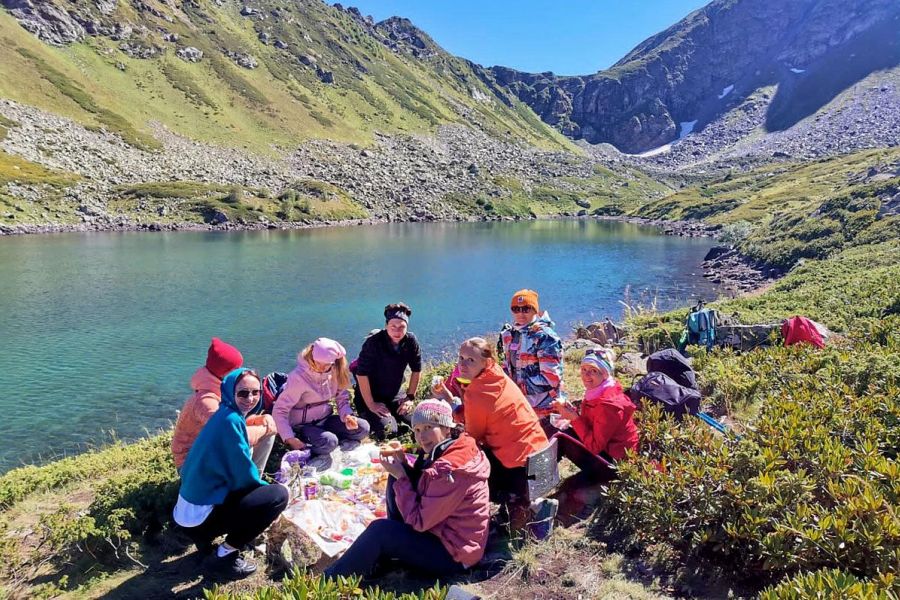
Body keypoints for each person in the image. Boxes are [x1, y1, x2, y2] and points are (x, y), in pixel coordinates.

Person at [324, 399, 490, 579]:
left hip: (455, 553)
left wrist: (403, 478)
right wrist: (402, 464)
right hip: (445, 532)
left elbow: (420, 522)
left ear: (446, 428)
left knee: (380, 530)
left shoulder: (451, 471)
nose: (422, 436)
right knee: (393, 478)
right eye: (417, 430)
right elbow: (426, 485)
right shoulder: (455, 448)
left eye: (428, 427)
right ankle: (388, 550)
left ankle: (328, 582)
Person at [173, 368, 289, 578]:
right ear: (229, 391)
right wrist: (268, 490)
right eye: (243, 393)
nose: (250, 398)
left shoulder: (223, 414)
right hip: (199, 521)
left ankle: (205, 544)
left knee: (257, 495)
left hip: (187, 515)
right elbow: (244, 476)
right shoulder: (231, 422)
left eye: (255, 393)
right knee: (278, 496)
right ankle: (224, 554)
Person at [452, 337, 557, 538]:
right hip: (543, 454)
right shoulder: (497, 374)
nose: (463, 364)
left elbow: (473, 437)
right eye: (461, 358)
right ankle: (525, 504)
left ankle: (529, 507)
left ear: (486, 362)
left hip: (521, 469)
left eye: (470, 360)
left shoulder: (476, 392)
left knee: (467, 463)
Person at [171, 338, 277, 474]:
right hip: (192, 466)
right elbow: (233, 436)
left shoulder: (218, 390)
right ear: (225, 373)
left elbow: (231, 425)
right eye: (236, 369)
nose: (240, 372)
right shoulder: (206, 402)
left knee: (265, 430)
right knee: (253, 439)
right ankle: (244, 486)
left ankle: (253, 478)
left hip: (207, 452)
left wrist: (260, 420)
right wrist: (266, 428)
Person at [273, 338, 370, 469]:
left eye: (327, 364)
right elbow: (279, 410)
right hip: (302, 425)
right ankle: (320, 442)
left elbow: (342, 398)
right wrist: (289, 438)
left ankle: (325, 440)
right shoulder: (298, 377)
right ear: (312, 357)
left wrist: (347, 415)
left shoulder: (336, 371)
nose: (321, 368)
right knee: (329, 442)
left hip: (325, 419)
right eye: (317, 363)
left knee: (363, 428)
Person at [550, 348, 638, 480]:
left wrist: (574, 418)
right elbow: (591, 425)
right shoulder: (600, 392)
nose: (586, 375)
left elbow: (595, 446)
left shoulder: (608, 405)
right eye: (584, 369)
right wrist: (571, 411)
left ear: (605, 374)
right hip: (609, 452)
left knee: (560, 436)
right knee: (557, 428)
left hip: (616, 466)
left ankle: (538, 483)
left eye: (593, 371)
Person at [353, 303, 423, 440]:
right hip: (371, 396)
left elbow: (416, 369)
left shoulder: (410, 341)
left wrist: (410, 397)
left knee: (419, 422)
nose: (397, 331)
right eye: (393, 327)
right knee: (389, 431)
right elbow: (361, 374)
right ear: (386, 326)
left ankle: (401, 424)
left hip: (395, 394)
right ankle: (388, 422)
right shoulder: (373, 342)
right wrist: (371, 404)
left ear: (407, 327)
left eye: (402, 327)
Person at [499, 289, 565, 414]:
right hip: (519, 404)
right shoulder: (509, 334)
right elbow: (508, 366)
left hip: (545, 407)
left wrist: (516, 389)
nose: (521, 314)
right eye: (516, 309)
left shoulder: (545, 337)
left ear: (535, 310)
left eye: (526, 308)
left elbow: (552, 378)